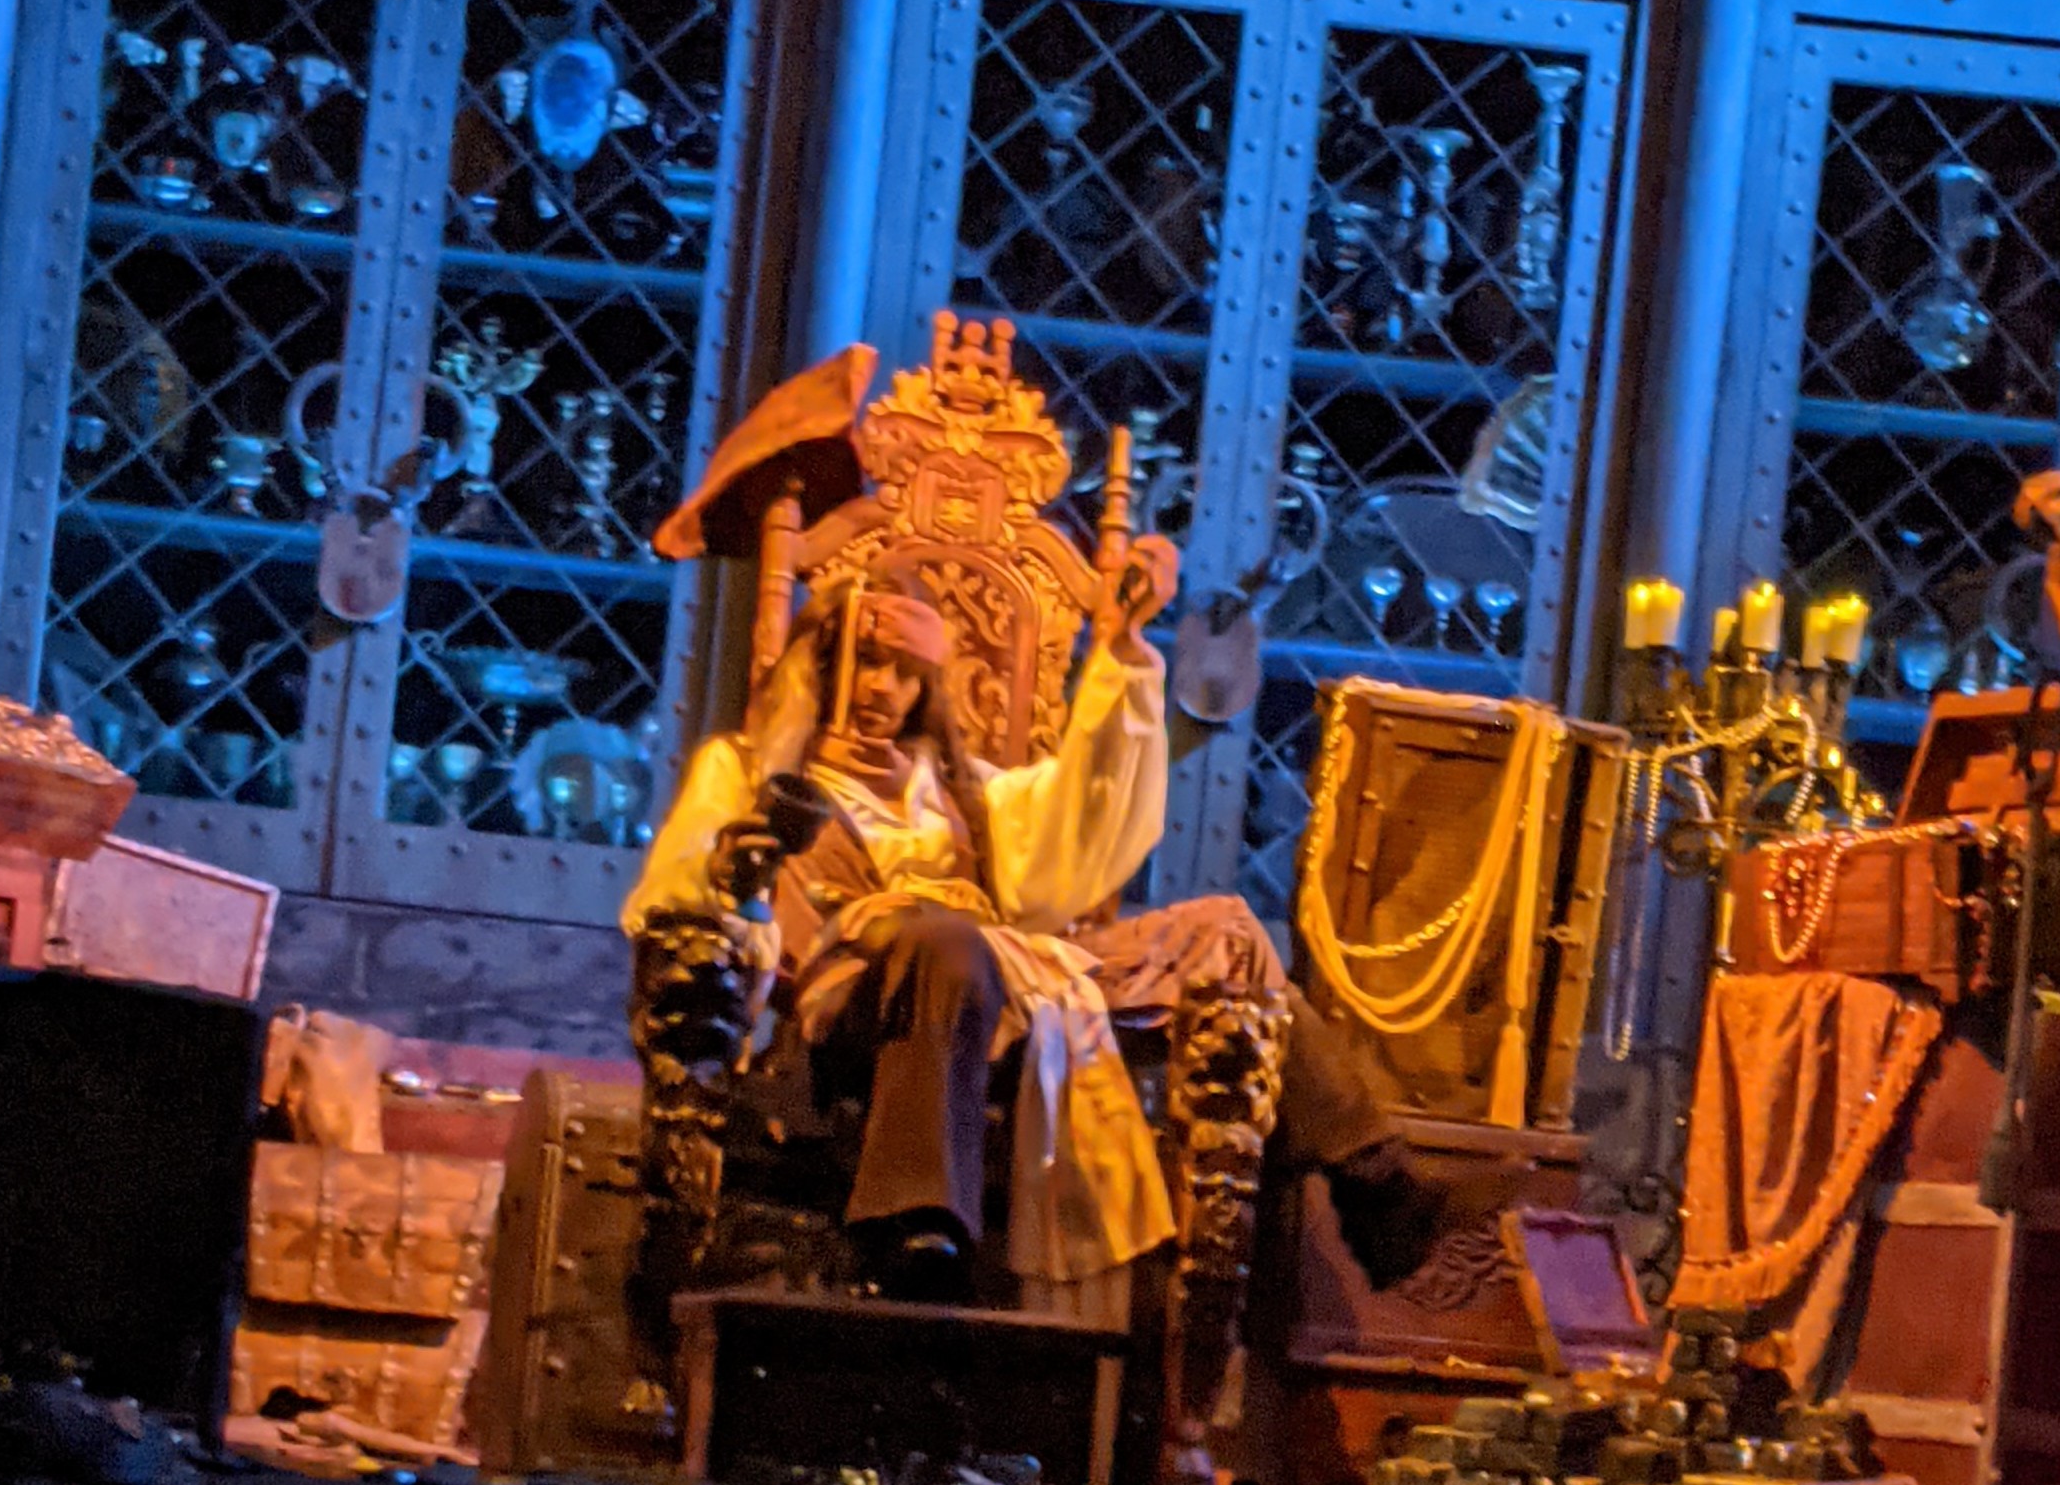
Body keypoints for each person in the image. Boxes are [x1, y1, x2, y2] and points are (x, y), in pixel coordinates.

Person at [623, 542, 1496, 1300]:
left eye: (903, 670)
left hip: (999, 985)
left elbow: (1080, 822)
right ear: (818, 667)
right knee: (943, 938)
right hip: (855, 1009)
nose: (881, 688)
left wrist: (1117, 649)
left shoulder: (958, 791)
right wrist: (740, 879)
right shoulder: (750, 770)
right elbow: (683, 907)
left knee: (1228, 934)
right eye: (864, 663)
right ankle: (919, 1224)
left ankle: (1382, 1193)